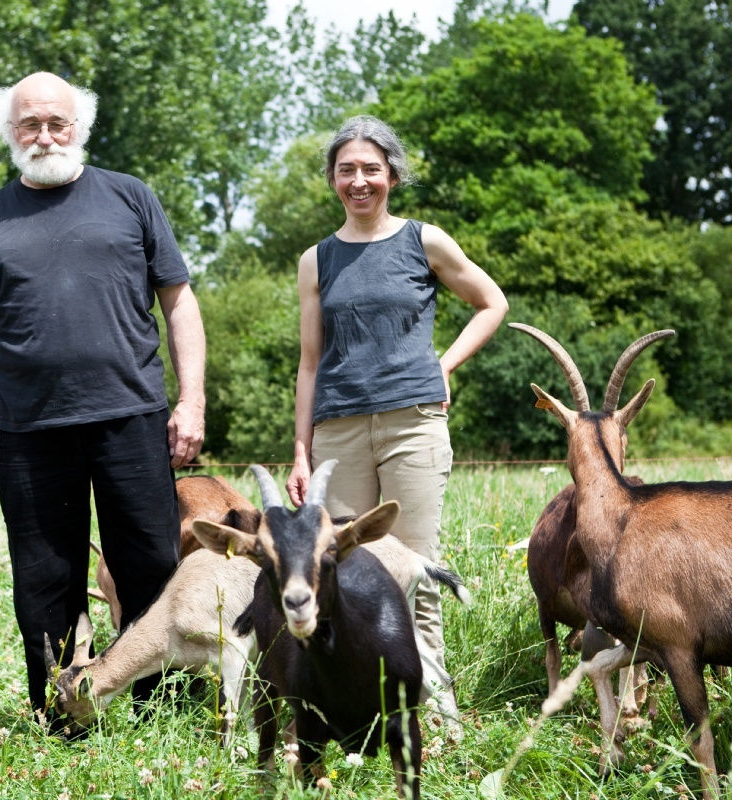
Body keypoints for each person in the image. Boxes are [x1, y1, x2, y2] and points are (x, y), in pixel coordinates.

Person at [0, 71, 206, 728]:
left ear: (78, 127)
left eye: (56, 122)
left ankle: (160, 710)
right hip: (28, 430)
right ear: (10, 133)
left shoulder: (130, 198)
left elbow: (179, 304)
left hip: (132, 417)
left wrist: (190, 401)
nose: (43, 135)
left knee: (152, 567)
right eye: (29, 124)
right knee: (44, 579)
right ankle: (60, 714)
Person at [285, 115, 507, 719]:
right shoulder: (316, 260)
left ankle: (434, 711)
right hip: (338, 431)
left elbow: (493, 304)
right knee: (346, 567)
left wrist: (445, 366)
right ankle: (357, 703)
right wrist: (302, 451)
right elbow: (309, 364)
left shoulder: (424, 241)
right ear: (333, 179)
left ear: (392, 175)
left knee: (415, 566)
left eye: (371, 170)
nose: (359, 181)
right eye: (346, 170)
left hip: (413, 424)